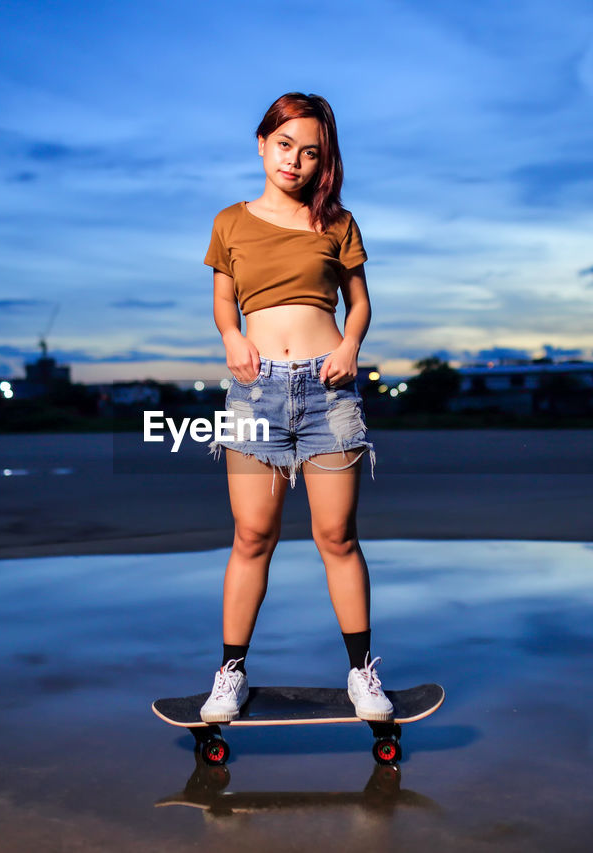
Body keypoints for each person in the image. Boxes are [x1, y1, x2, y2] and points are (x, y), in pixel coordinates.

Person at [199, 92, 391, 723]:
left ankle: (363, 674)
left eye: (311, 152)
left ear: (323, 160)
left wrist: (352, 344)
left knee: (336, 536)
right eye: (285, 146)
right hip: (254, 394)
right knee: (252, 535)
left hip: (327, 392)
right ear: (262, 143)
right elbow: (226, 304)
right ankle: (230, 675)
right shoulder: (230, 221)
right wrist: (231, 339)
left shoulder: (336, 222)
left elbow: (358, 303)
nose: (296, 161)